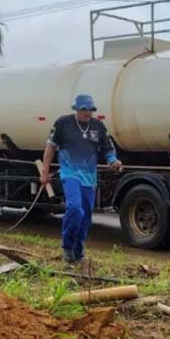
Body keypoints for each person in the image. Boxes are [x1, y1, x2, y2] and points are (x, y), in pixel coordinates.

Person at [40, 94, 123, 263]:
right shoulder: (63, 123)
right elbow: (50, 148)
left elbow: (108, 149)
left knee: (85, 216)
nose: (87, 113)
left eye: (90, 109)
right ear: (76, 109)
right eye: (83, 109)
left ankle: (78, 252)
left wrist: (113, 161)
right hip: (70, 174)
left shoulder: (98, 126)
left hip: (89, 177)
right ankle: (67, 246)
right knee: (75, 208)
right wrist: (45, 171)